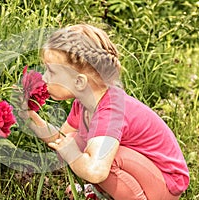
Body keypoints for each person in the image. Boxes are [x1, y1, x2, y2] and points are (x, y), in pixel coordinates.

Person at [18, 24, 189, 200]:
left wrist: (72, 153)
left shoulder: (110, 112)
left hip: (165, 183)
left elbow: (97, 172)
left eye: (51, 71)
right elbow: (62, 138)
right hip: (144, 172)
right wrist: (29, 116)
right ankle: (106, 194)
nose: (44, 78)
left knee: (106, 158)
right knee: (75, 142)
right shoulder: (83, 103)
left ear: (79, 82)